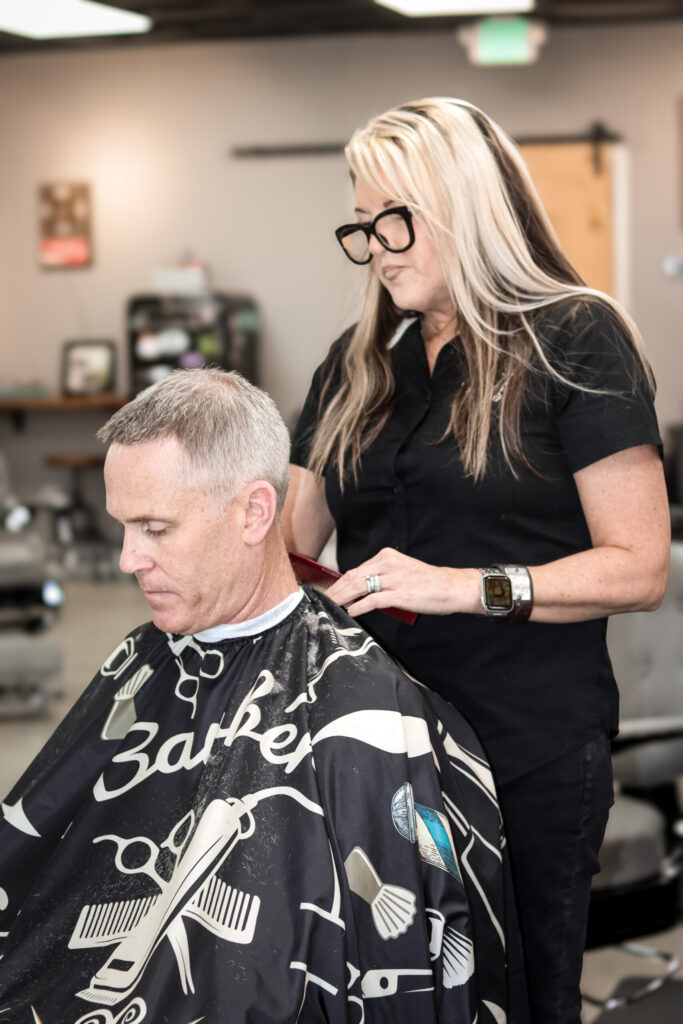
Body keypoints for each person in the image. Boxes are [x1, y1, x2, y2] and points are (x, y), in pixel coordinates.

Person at [284, 97, 671, 1024]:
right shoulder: (357, 364)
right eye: (361, 225)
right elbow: (290, 545)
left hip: (522, 748)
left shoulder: (576, 338)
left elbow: (639, 567)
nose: (376, 246)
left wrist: (461, 587)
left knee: (522, 996)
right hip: (372, 747)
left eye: (394, 220)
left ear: (462, 204)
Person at [0, 368, 521, 1024]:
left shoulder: (364, 710)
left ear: (252, 513)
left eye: (156, 528)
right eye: (122, 526)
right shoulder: (142, 660)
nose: (129, 557)